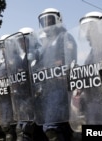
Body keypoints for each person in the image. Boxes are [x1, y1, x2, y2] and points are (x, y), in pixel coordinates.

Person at [37, 8, 77, 141]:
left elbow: (69, 61)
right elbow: (41, 65)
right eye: (43, 21)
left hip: (61, 88)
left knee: (51, 128)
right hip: (48, 89)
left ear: (58, 19)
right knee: (62, 128)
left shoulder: (65, 37)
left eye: (49, 19)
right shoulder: (46, 44)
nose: (46, 23)